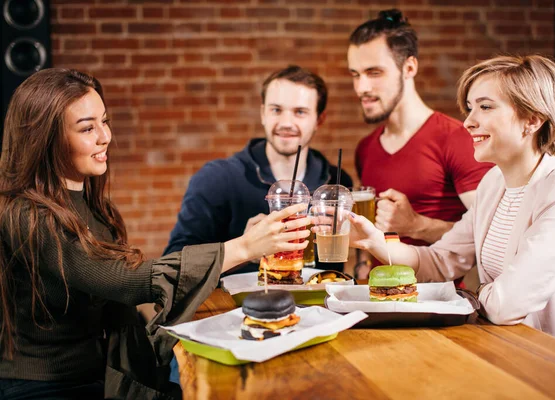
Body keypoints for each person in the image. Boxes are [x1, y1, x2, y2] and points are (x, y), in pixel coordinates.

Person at [0, 68, 310, 399]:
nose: (104, 136)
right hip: (44, 386)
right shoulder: (26, 214)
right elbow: (124, 281)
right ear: (45, 138)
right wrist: (244, 247)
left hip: (97, 374)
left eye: (104, 121)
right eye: (87, 128)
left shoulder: (92, 206)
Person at [348, 54, 555, 355]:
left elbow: (508, 305)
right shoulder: (493, 183)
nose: (468, 122)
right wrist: (374, 242)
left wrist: (471, 294)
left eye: (485, 107)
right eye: (470, 108)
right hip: (505, 350)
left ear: (532, 120)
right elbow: (441, 261)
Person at [164, 65, 352, 274]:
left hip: (318, 305)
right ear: (263, 113)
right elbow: (173, 264)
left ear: (319, 120)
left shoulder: (337, 181)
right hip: (236, 305)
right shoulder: (217, 178)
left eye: (300, 112)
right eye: (276, 110)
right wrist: (244, 249)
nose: (286, 123)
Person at [347, 9, 492, 279]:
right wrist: (362, 265)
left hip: (435, 306)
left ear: (409, 67)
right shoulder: (365, 148)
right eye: (355, 74)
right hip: (376, 300)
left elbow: (490, 237)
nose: (361, 87)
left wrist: (416, 225)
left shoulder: (457, 138)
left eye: (373, 72)